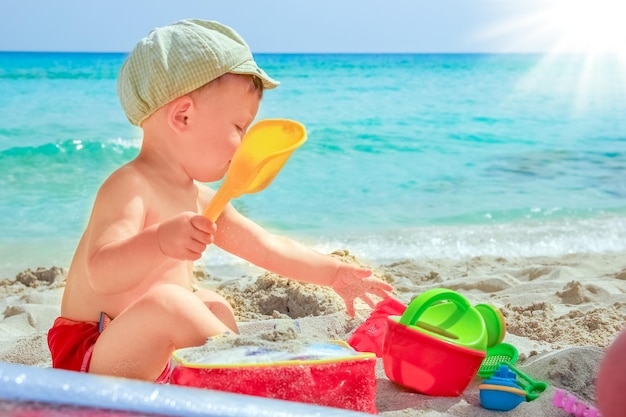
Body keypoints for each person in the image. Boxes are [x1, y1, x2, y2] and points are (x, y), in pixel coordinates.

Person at [47, 19, 393, 383]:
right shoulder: (130, 185)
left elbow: (264, 246)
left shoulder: (199, 197)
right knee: (172, 301)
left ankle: (217, 379)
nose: (244, 144)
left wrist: (333, 273)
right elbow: (101, 271)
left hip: (146, 357)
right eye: (238, 128)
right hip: (93, 355)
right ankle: (248, 377)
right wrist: (161, 240)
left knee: (212, 304)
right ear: (182, 116)